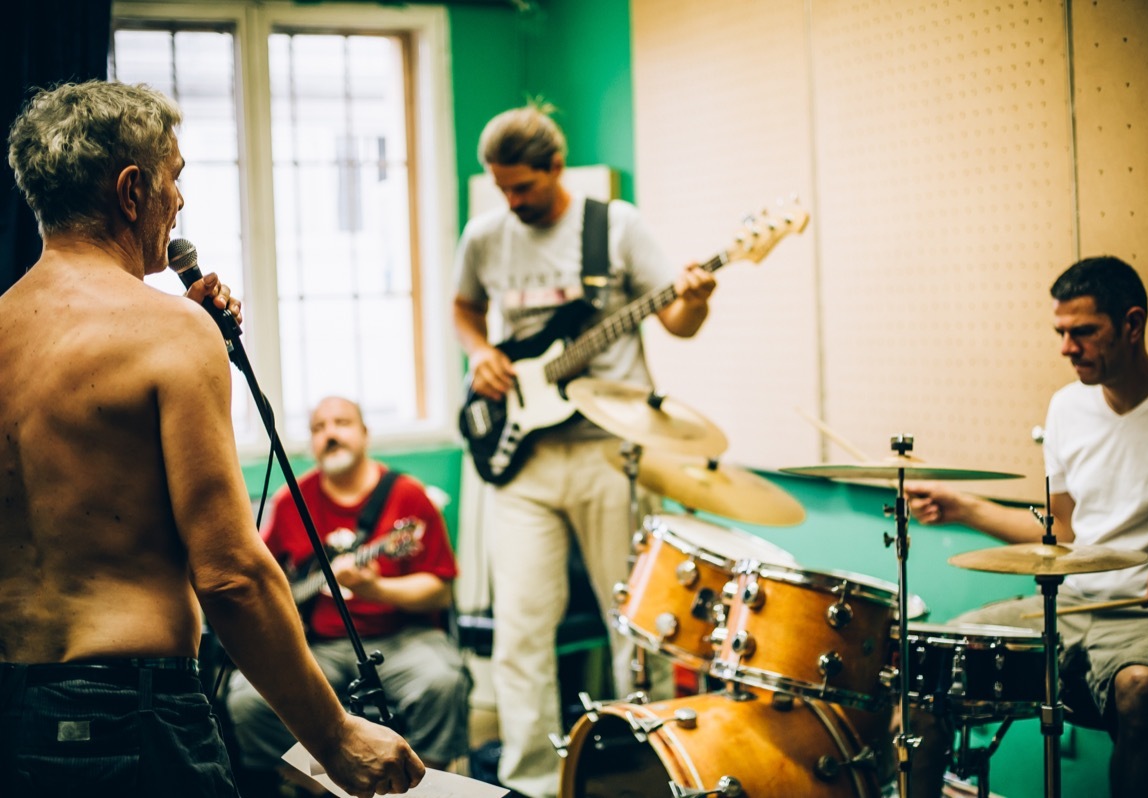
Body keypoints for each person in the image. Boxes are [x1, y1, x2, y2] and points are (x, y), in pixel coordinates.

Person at [0, 80, 423, 797]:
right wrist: (336, 735)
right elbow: (230, 573)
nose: (182, 201)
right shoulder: (168, 331)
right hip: (129, 717)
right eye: (176, 178)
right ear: (132, 190)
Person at [451, 101, 717, 798]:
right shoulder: (485, 235)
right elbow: (465, 306)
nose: (512, 202)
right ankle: (532, 783)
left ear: (556, 168)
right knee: (520, 633)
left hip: (610, 452)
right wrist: (480, 352)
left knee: (638, 625)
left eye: (524, 188)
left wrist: (697, 297)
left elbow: (678, 321)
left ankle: (660, 774)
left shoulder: (615, 227)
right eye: (502, 188)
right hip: (524, 459)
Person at [904, 256, 1148, 797]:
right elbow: (1063, 535)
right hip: (1073, 605)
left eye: (1083, 332)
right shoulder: (1067, 407)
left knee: (1140, 688)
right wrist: (961, 506)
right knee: (932, 664)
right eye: (1060, 332)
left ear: (1132, 325)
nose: (1066, 348)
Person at [225, 395, 471, 795]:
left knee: (442, 682)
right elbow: (263, 581)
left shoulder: (407, 497)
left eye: (341, 422)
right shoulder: (291, 502)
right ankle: (328, 788)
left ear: (364, 433)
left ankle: (421, 787)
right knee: (247, 700)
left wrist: (376, 588)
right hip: (319, 645)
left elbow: (440, 591)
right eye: (319, 428)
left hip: (401, 640)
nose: (330, 434)